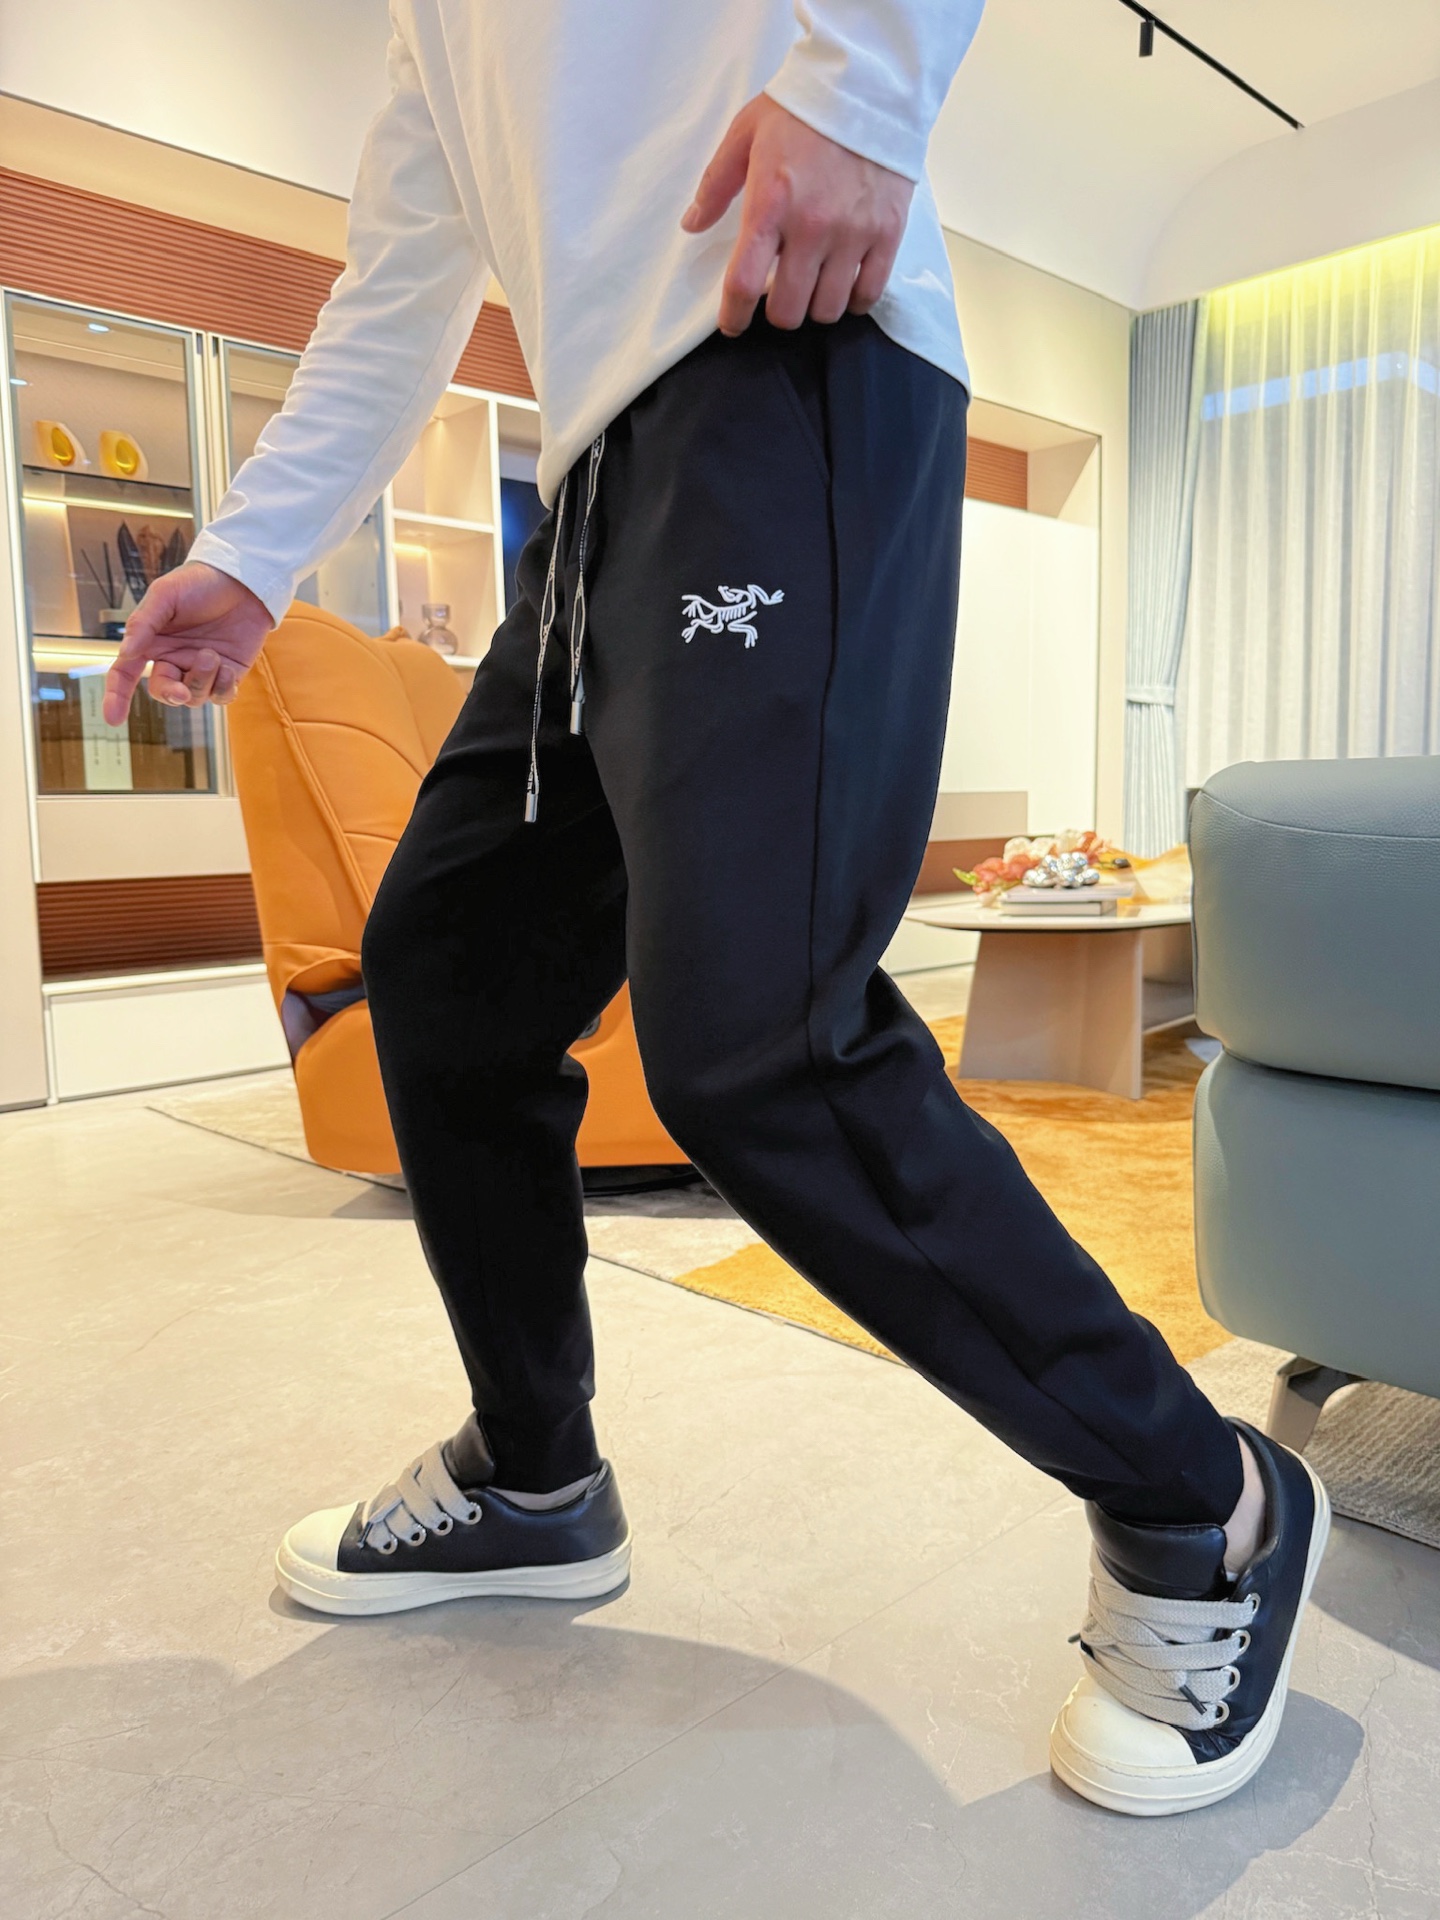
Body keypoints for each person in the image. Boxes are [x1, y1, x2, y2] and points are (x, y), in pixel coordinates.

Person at [105, 1, 1329, 1818]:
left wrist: (861, 90)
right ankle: (535, 1478)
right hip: (597, 479)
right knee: (448, 974)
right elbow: (403, 281)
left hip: (786, 345)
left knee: (764, 1045)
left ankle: (1207, 1506)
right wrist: (253, 550)